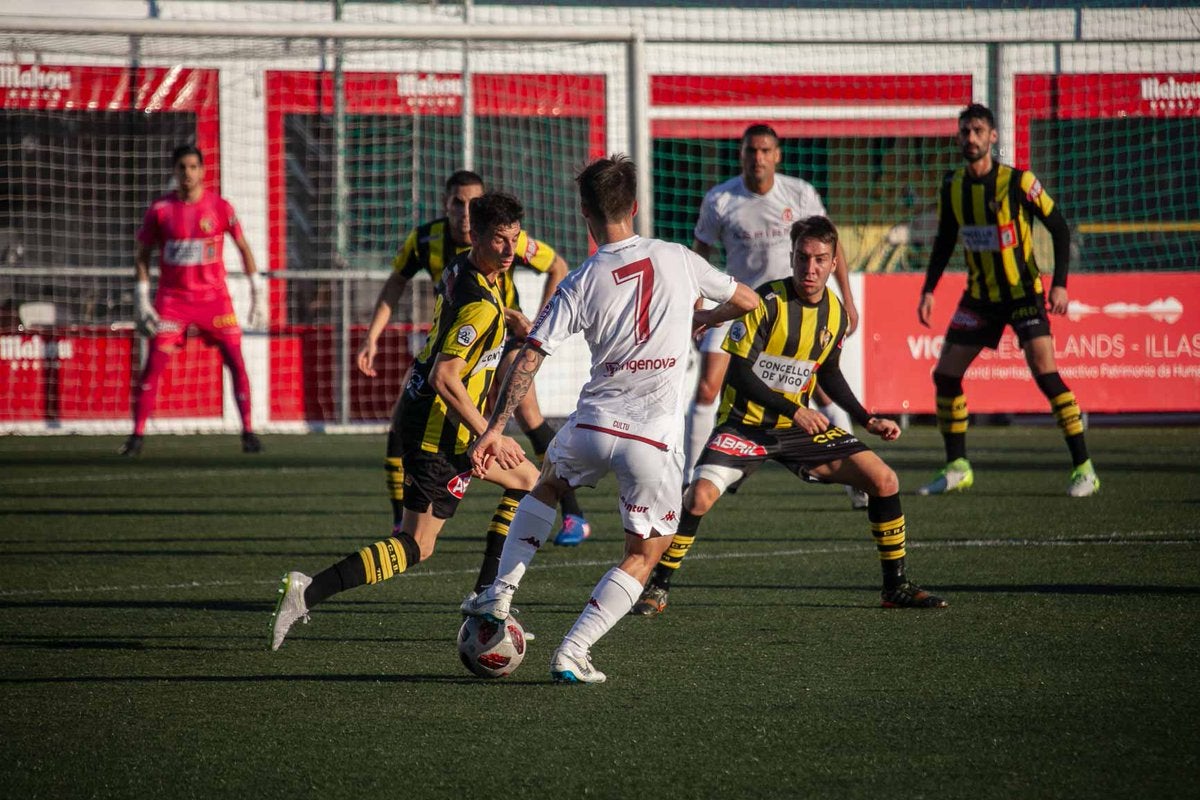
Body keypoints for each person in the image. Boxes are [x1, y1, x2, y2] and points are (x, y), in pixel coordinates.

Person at [462, 154, 760, 683]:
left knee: (546, 487)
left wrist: (493, 427)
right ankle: (573, 650)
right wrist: (703, 318)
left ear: (585, 215)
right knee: (645, 553)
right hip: (652, 441)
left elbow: (532, 352)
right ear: (636, 207)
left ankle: (497, 596)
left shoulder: (581, 279)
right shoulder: (679, 257)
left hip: (593, 426)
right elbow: (747, 299)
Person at [633, 216, 948, 617]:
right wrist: (795, 408)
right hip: (745, 426)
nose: (810, 268)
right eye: (802, 258)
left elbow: (829, 371)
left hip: (797, 430)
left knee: (884, 480)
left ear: (834, 263)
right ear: (792, 256)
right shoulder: (766, 301)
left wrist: (866, 418)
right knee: (698, 496)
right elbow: (739, 373)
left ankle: (895, 586)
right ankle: (658, 588)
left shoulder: (835, 313)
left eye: (820, 260)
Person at [270, 192, 541, 651]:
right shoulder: (480, 303)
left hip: (428, 417)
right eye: (499, 240)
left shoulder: (461, 265)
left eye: (514, 239)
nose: (510, 250)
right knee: (420, 544)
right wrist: (488, 434)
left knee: (524, 485)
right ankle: (311, 591)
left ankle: (485, 597)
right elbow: (445, 374)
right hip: (444, 427)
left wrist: (511, 319)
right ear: (477, 236)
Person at [355, 170, 592, 545]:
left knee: (528, 416)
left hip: (502, 338)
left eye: (472, 203)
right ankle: (402, 520)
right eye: (458, 203)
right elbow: (396, 281)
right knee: (403, 419)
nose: (465, 212)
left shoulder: (507, 237)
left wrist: (536, 326)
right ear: (445, 204)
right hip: (458, 341)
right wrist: (372, 336)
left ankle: (573, 513)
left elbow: (557, 266)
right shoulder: (426, 240)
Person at [916, 103, 1099, 498]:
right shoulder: (953, 185)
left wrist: (1060, 284)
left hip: (1023, 295)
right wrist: (929, 289)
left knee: (1045, 373)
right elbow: (946, 239)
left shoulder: (1018, 182)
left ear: (993, 137)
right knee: (946, 374)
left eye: (978, 130)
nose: (971, 138)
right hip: (980, 298)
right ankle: (957, 466)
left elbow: (1059, 227)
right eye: (965, 131)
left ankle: (1084, 468)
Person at [684, 124, 866, 509]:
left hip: (795, 308)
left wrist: (848, 301)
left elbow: (832, 246)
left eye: (766, 150)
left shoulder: (799, 193)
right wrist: (699, 308)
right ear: (742, 154)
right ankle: (692, 477)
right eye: (752, 150)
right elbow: (699, 255)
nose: (758, 158)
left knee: (819, 386)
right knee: (706, 388)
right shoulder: (720, 199)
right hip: (739, 308)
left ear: (777, 155)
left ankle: (857, 481)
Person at [120, 144, 265, 456]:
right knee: (154, 364)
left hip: (215, 300)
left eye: (193, 167)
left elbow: (244, 248)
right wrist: (142, 300)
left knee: (236, 360)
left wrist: (258, 295)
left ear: (203, 170)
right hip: (173, 301)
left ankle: (249, 432)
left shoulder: (221, 207)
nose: (188, 173)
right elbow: (142, 256)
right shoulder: (160, 210)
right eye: (182, 167)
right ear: (174, 171)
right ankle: (137, 435)